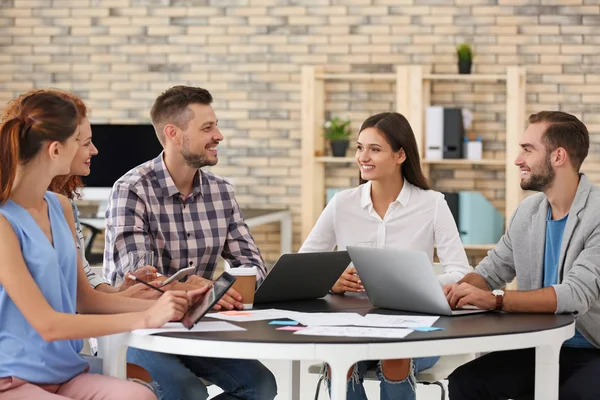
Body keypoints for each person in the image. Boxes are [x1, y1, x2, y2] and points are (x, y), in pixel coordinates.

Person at [0, 90, 206, 400]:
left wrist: (173, 306)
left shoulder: (61, 208)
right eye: (82, 142)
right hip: (12, 379)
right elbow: (46, 325)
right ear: (56, 150)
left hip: (64, 372)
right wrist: (147, 317)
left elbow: (87, 300)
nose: (94, 150)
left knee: (140, 397)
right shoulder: (4, 222)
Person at [103, 85, 277, 400]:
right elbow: (140, 283)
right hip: (138, 330)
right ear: (173, 133)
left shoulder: (221, 191)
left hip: (198, 327)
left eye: (216, 125)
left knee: (261, 385)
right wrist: (197, 288)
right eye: (207, 128)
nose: (219, 135)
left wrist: (222, 288)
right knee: (187, 392)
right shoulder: (131, 190)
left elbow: (252, 266)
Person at [300, 112, 472, 400]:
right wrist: (331, 280)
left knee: (396, 356)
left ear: (400, 154)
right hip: (353, 326)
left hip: (414, 327)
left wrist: (416, 283)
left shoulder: (432, 204)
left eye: (375, 149)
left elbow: (460, 271)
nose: (363, 157)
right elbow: (304, 266)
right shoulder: (342, 203)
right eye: (360, 147)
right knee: (340, 362)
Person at [445, 111, 600, 399]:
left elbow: (576, 294)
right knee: (466, 382)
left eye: (528, 150)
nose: (518, 160)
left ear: (558, 156)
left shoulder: (597, 214)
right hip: (539, 346)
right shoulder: (527, 213)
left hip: (591, 350)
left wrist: (496, 300)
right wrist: (457, 290)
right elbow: (490, 271)